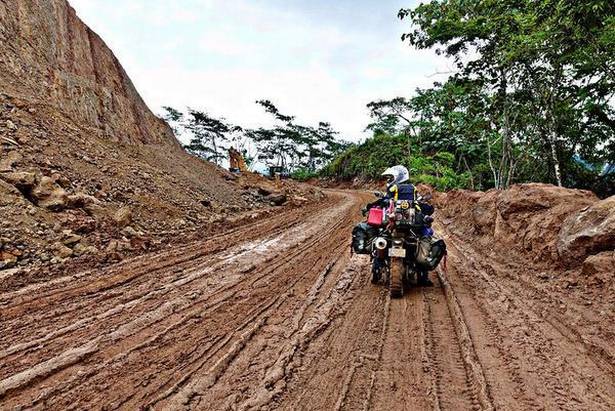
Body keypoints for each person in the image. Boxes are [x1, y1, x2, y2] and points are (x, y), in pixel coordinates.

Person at [380, 165, 434, 287]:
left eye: (391, 177)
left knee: (380, 235)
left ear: (398, 177)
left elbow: (385, 201)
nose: (389, 180)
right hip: (412, 223)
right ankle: (423, 277)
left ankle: (377, 268)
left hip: (394, 222)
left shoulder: (393, 188)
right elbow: (419, 205)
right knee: (423, 236)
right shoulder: (413, 188)